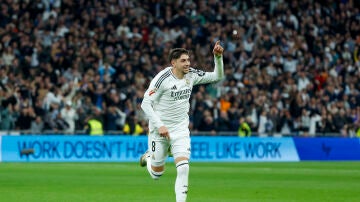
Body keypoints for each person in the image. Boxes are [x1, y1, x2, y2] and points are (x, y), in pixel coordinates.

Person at [139, 40, 224, 202]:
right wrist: (160, 125)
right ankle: (149, 157)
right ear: (173, 63)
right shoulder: (162, 79)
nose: (188, 63)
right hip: (159, 130)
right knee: (157, 174)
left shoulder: (191, 74)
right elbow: (145, 104)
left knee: (184, 168)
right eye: (183, 61)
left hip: (180, 130)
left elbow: (217, 76)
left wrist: (218, 58)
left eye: (188, 60)